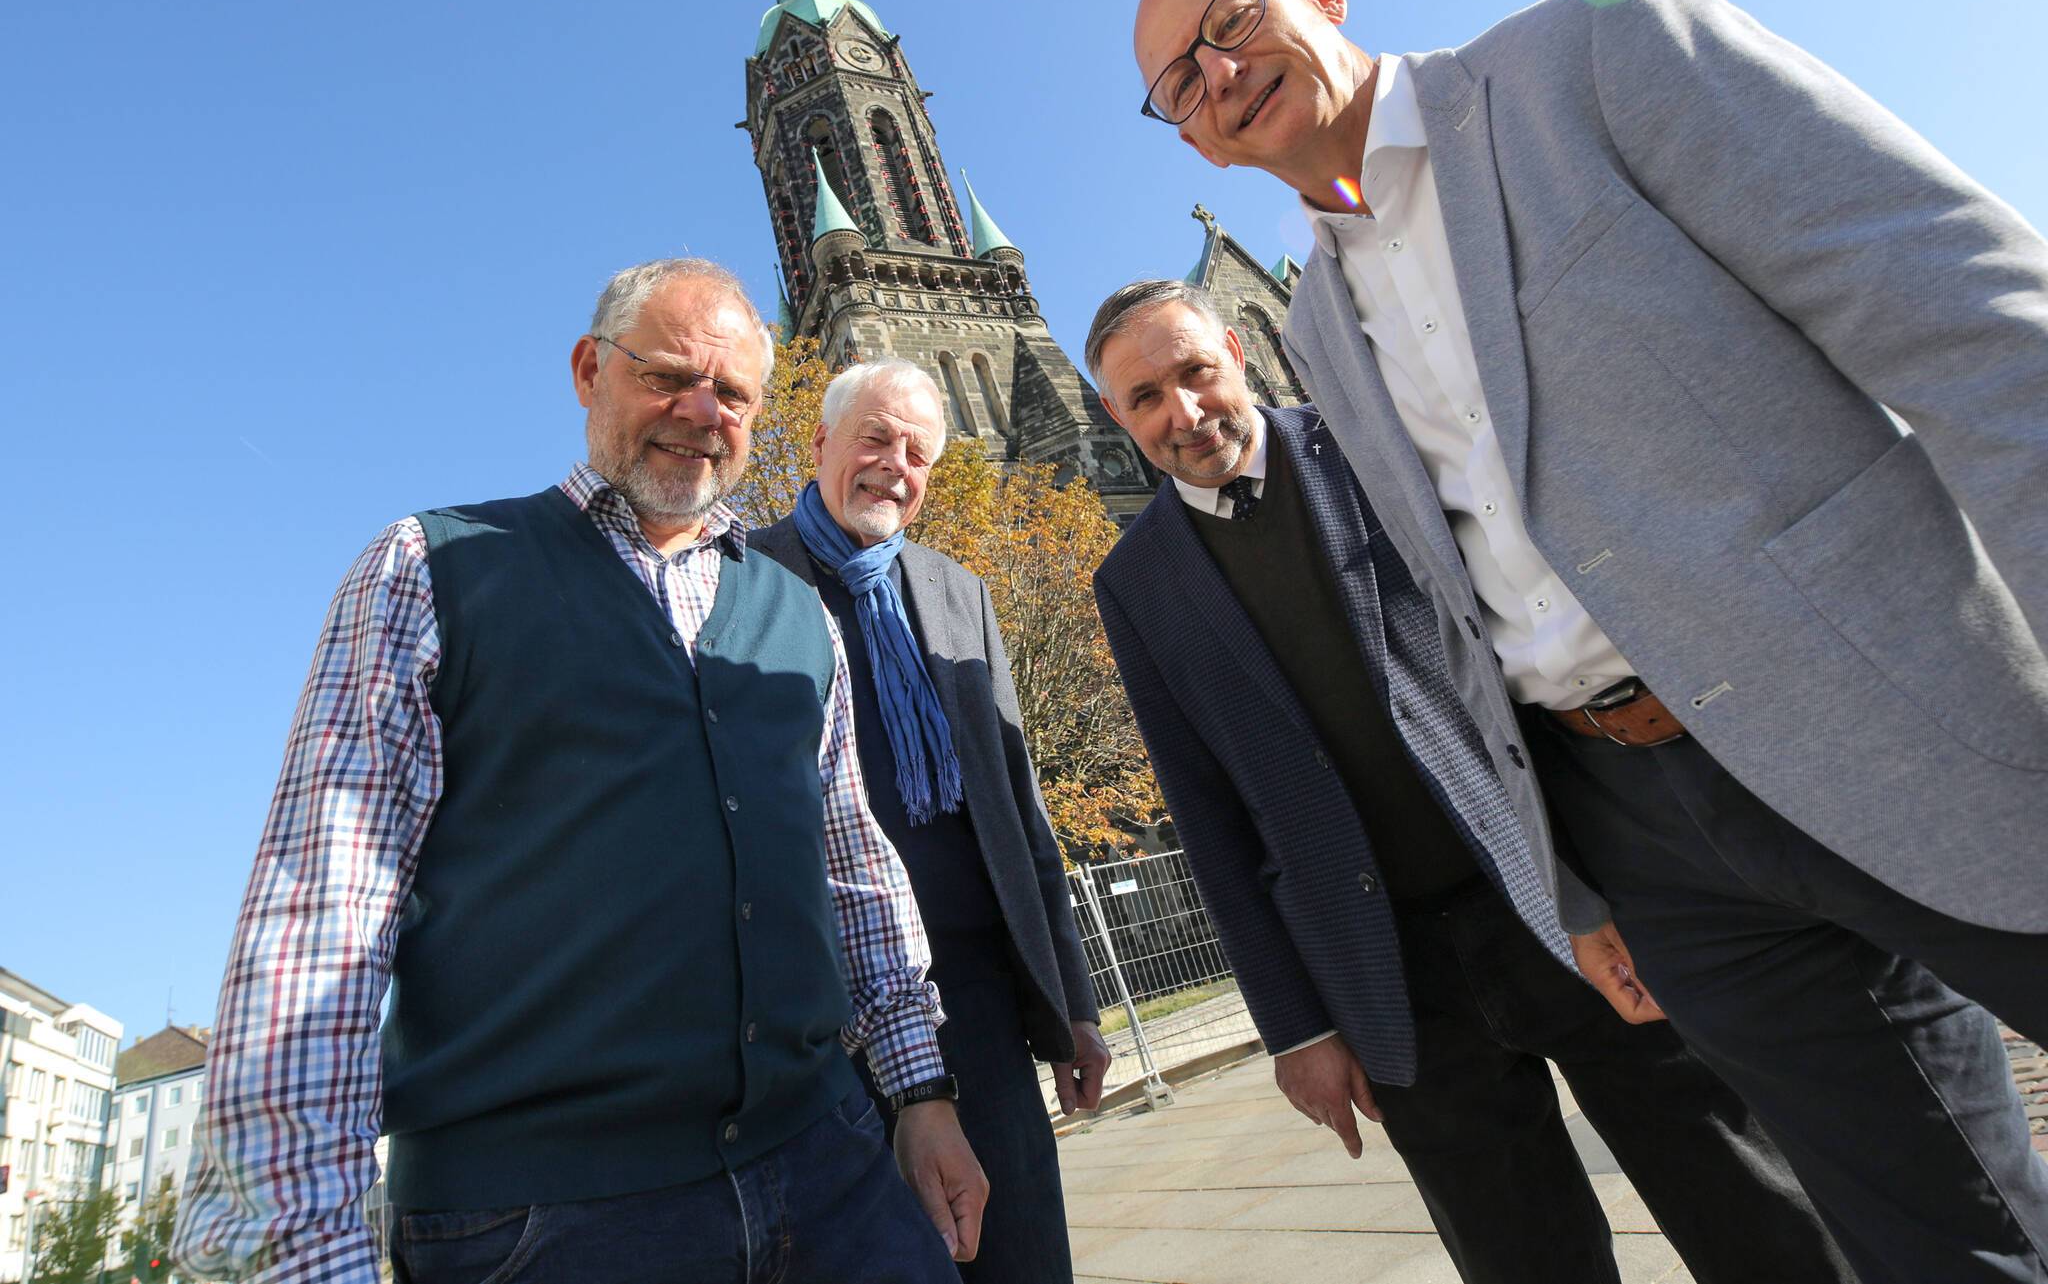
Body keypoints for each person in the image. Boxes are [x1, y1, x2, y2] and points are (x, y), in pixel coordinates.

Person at [1128, 0, 2048, 1279]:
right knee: (1941, 1245)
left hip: (1904, 716)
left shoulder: (1596, 53)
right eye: (1178, 84)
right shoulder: (1318, 325)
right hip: (1657, 839)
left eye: (1229, 17)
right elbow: (1462, 618)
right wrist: (1564, 882)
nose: (1215, 74)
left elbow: (1976, 324)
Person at [172, 259, 987, 1284]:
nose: (700, 411)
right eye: (667, 375)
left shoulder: (796, 616)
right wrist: (300, 1253)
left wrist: (919, 1093)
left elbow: (854, 870)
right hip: (540, 1217)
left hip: (828, 1170)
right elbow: (320, 918)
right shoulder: (429, 568)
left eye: (732, 393)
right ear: (588, 369)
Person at [1087, 281, 1848, 1284]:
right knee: (1517, 1255)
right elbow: (1207, 812)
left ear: (1235, 348)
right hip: (1391, 970)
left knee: (1739, 1190)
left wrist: (1635, 874)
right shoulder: (1132, 581)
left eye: (1193, 372)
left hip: (1559, 900)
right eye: (1144, 397)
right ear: (1115, 415)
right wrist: (1294, 1023)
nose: (1180, 412)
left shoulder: (1370, 446)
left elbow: (1534, 660)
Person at [752, 358, 1112, 1284]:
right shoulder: (740, 578)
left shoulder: (959, 592)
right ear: (821, 441)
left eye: (917, 452)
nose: (894, 465)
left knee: (1021, 1257)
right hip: (820, 1021)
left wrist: (1072, 1002)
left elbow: (1021, 808)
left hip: (979, 1002)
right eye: (874, 437)